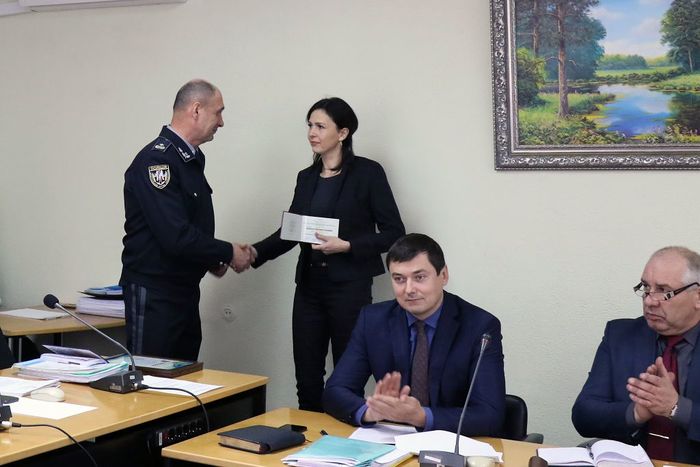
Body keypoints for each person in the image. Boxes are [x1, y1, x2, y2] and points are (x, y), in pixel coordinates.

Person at [245, 97, 404, 411]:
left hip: (349, 289)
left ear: (342, 133)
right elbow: (291, 231)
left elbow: (394, 232)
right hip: (308, 288)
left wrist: (348, 245)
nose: (312, 133)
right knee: (307, 379)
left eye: (320, 126)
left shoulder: (368, 173)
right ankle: (307, 438)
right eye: (309, 125)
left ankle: (340, 439)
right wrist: (252, 253)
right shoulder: (306, 177)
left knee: (345, 378)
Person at [322, 233, 505, 435]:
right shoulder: (373, 320)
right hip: (391, 443)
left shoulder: (480, 326)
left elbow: (490, 414)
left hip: (453, 443)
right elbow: (335, 391)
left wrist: (421, 417)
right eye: (399, 279)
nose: (409, 289)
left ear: (443, 275)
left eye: (419, 277)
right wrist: (370, 412)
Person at [120, 79, 251, 361]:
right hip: (156, 295)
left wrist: (210, 259)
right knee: (152, 378)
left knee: (185, 377)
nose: (221, 122)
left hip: (184, 291)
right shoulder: (157, 162)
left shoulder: (188, 159)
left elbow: (189, 225)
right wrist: (227, 252)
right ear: (196, 109)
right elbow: (175, 236)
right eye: (218, 112)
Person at [572, 246, 700, 464]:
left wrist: (676, 408)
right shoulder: (620, 336)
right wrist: (636, 413)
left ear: (697, 297)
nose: (649, 300)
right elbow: (583, 415)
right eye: (646, 288)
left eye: (663, 291)